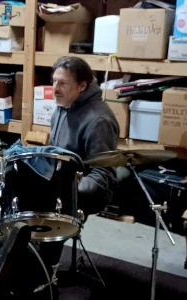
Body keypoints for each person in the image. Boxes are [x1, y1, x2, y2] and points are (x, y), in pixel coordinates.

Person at [40, 56, 120, 282]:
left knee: (45, 217)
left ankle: (46, 275)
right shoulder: (62, 108)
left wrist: (65, 189)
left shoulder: (99, 120)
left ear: (82, 86)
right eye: (54, 81)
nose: (55, 88)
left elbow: (102, 175)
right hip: (60, 183)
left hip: (87, 192)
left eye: (62, 83)